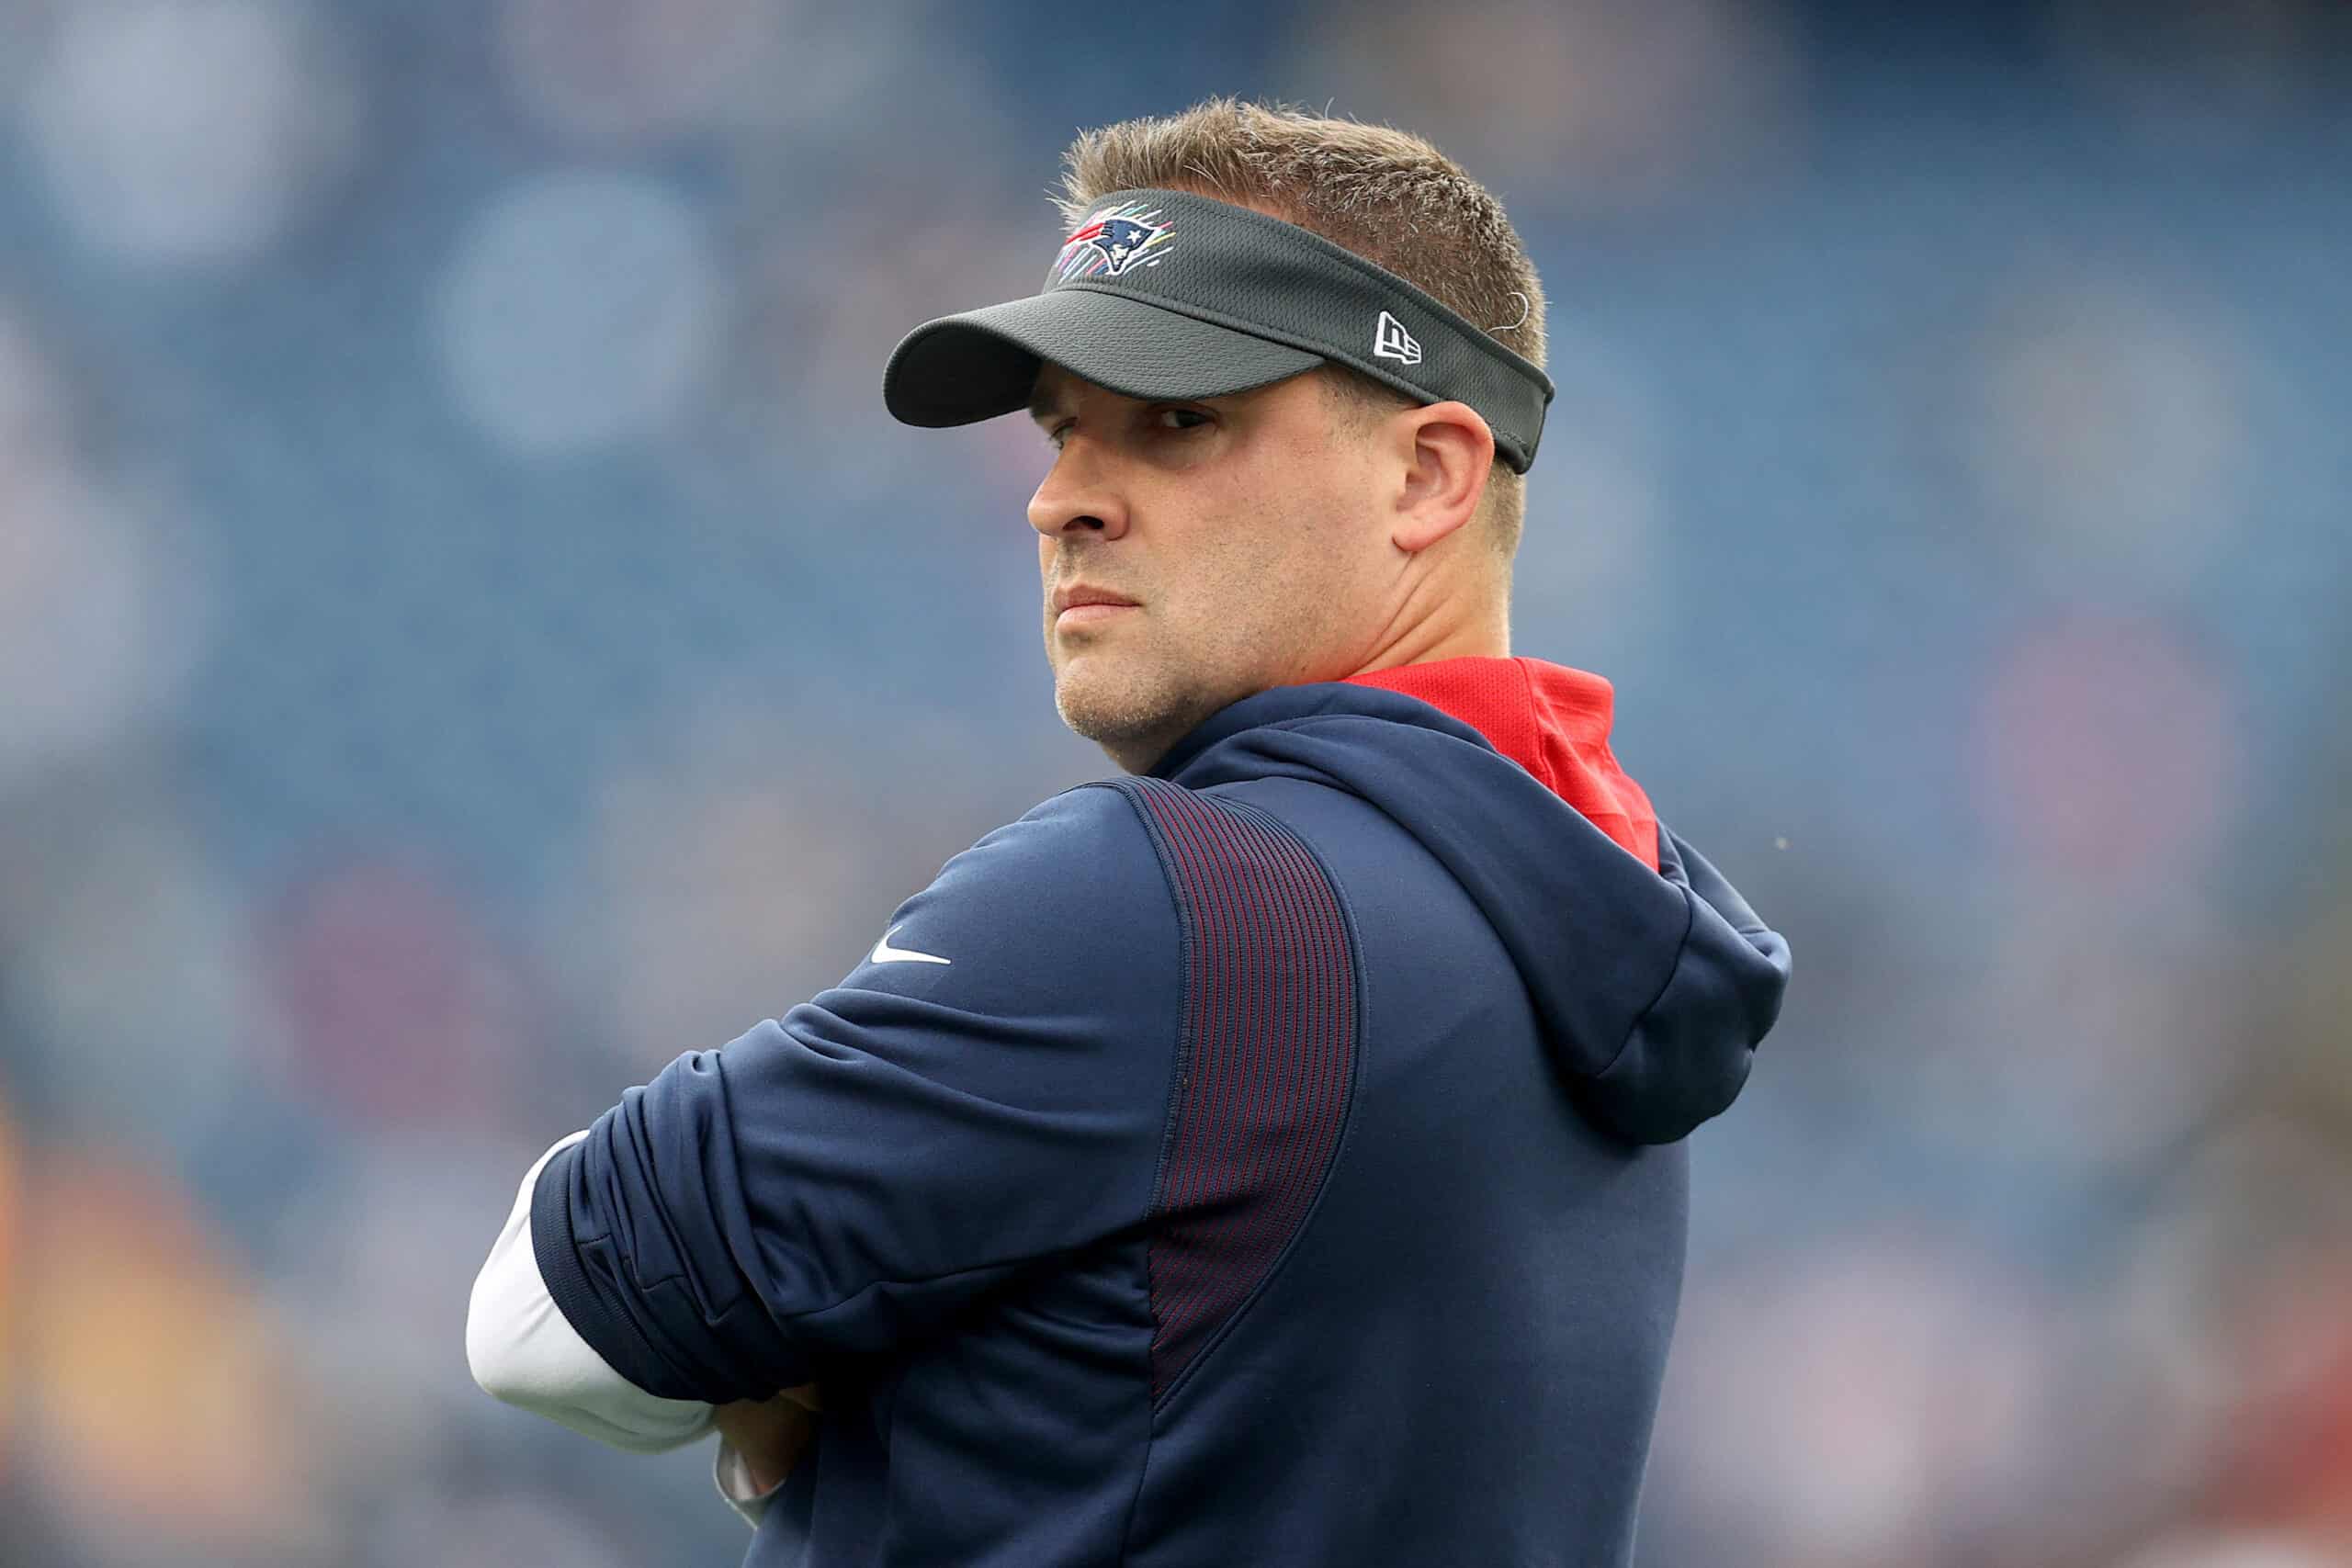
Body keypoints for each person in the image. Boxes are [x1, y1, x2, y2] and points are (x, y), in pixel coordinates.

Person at [467, 97, 1791, 1567]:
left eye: (1177, 422)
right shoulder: (1590, 923)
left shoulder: (1177, 904)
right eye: (1060, 430)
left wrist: (820, 1360)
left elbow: (539, 1312)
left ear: (1427, 476)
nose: (1056, 500)